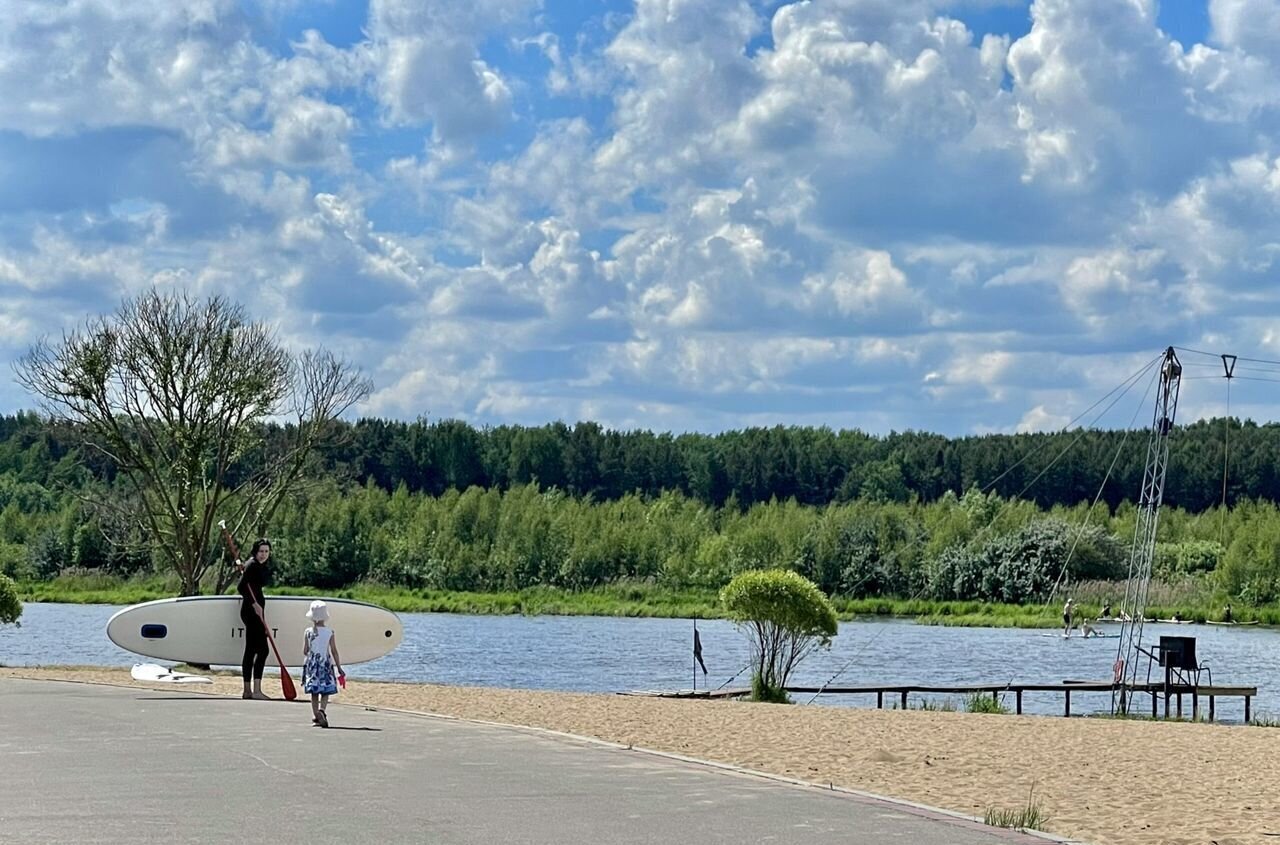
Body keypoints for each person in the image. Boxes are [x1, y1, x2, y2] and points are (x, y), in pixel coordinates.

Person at [236, 539, 273, 700]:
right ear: (255, 552)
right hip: (251, 612)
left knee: (252, 650)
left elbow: (254, 583)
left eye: (266, 551)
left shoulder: (255, 566)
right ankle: (254, 691)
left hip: (256, 611)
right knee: (262, 650)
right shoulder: (252, 565)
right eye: (261, 551)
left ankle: (249, 690)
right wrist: (254, 604)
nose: (264, 554)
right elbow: (241, 587)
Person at [302, 600, 344, 728]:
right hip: (325, 664)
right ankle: (322, 711)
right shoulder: (330, 632)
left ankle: (316, 716)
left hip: (312, 664)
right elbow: (334, 651)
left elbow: (305, 651)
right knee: (325, 690)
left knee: (314, 692)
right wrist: (339, 668)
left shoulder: (308, 632)